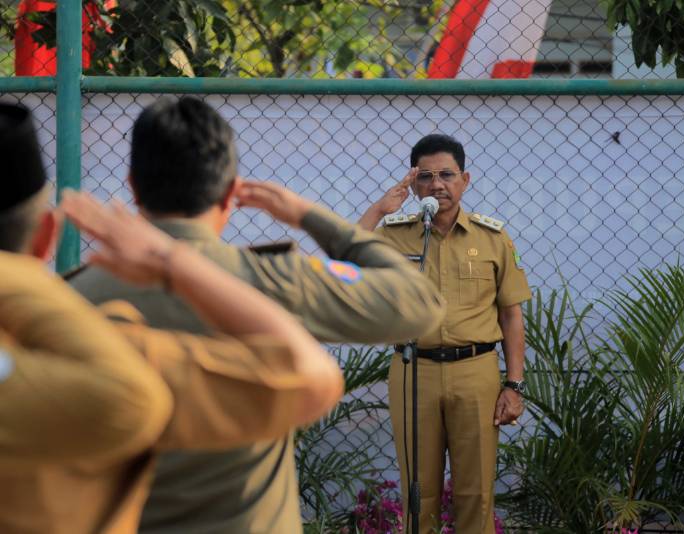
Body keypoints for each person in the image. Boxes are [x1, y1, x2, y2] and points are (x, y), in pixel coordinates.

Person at [68, 96, 445, 533]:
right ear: (231, 193)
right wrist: (307, 215)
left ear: (133, 186)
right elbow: (419, 303)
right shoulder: (273, 279)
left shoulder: (72, 296)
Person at [0, 101, 344, 533]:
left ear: (134, 186)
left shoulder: (81, 316)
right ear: (47, 235)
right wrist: (171, 263)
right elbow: (311, 377)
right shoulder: (103, 360)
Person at [359, 134, 532, 534]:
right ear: (413, 183)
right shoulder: (395, 234)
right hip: (413, 371)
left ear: (465, 180)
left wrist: (514, 385)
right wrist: (380, 209)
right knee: (419, 492)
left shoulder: (492, 238)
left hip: (475, 371)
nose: (436, 184)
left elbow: (511, 316)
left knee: (476, 492)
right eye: (426, 176)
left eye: (447, 175)